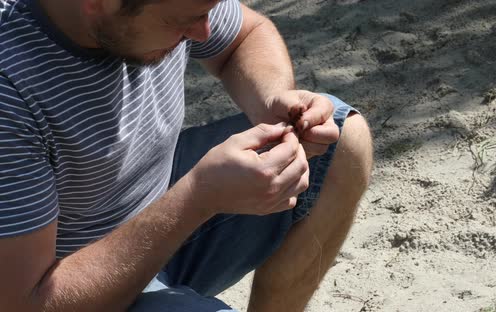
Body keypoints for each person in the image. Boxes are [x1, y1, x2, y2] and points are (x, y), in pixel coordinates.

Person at [0, 0, 373, 310]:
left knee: (344, 137)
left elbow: (245, 34)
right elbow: (26, 303)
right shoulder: (10, 90)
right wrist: (197, 197)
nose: (203, 32)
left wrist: (274, 102)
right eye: (185, 21)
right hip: (71, 283)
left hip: (165, 212)